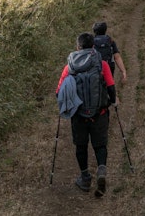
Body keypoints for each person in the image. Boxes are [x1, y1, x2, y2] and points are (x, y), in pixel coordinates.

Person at [56, 32, 116, 196]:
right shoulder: (102, 64)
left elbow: (59, 92)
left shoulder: (69, 67)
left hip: (78, 115)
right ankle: (101, 171)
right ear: (93, 46)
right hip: (100, 113)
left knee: (81, 146)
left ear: (78, 46)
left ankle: (85, 178)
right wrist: (113, 101)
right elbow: (110, 87)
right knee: (100, 145)